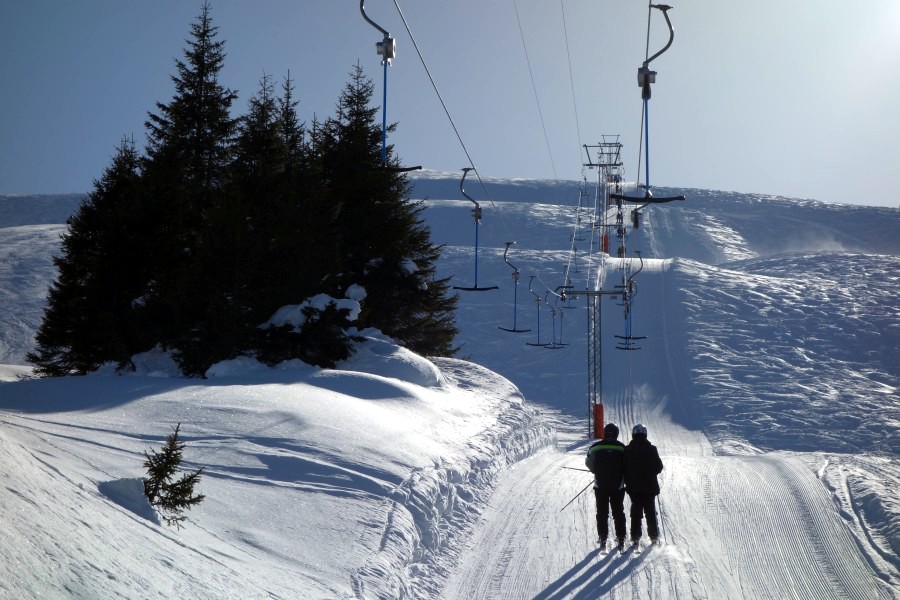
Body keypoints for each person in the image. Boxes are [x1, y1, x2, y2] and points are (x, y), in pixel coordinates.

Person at [585, 422, 627, 550]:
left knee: (602, 512)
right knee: (618, 512)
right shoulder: (622, 448)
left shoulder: (595, 447)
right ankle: (621, 538)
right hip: (618, 486)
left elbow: (588, 462)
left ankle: (603, 537)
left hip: (600, 485)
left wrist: (595, 470)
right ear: (616, 434)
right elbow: (627, 464)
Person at [624, 423, 664, 547]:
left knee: (636, 511)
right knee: (650, 511)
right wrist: (649, 473)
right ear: (645, 434)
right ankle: (654, 537)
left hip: (633, 487)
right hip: (649, 486)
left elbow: (623, 467)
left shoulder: (628, 449)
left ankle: (635, 537)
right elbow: (659, 467)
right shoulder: (652, 449)